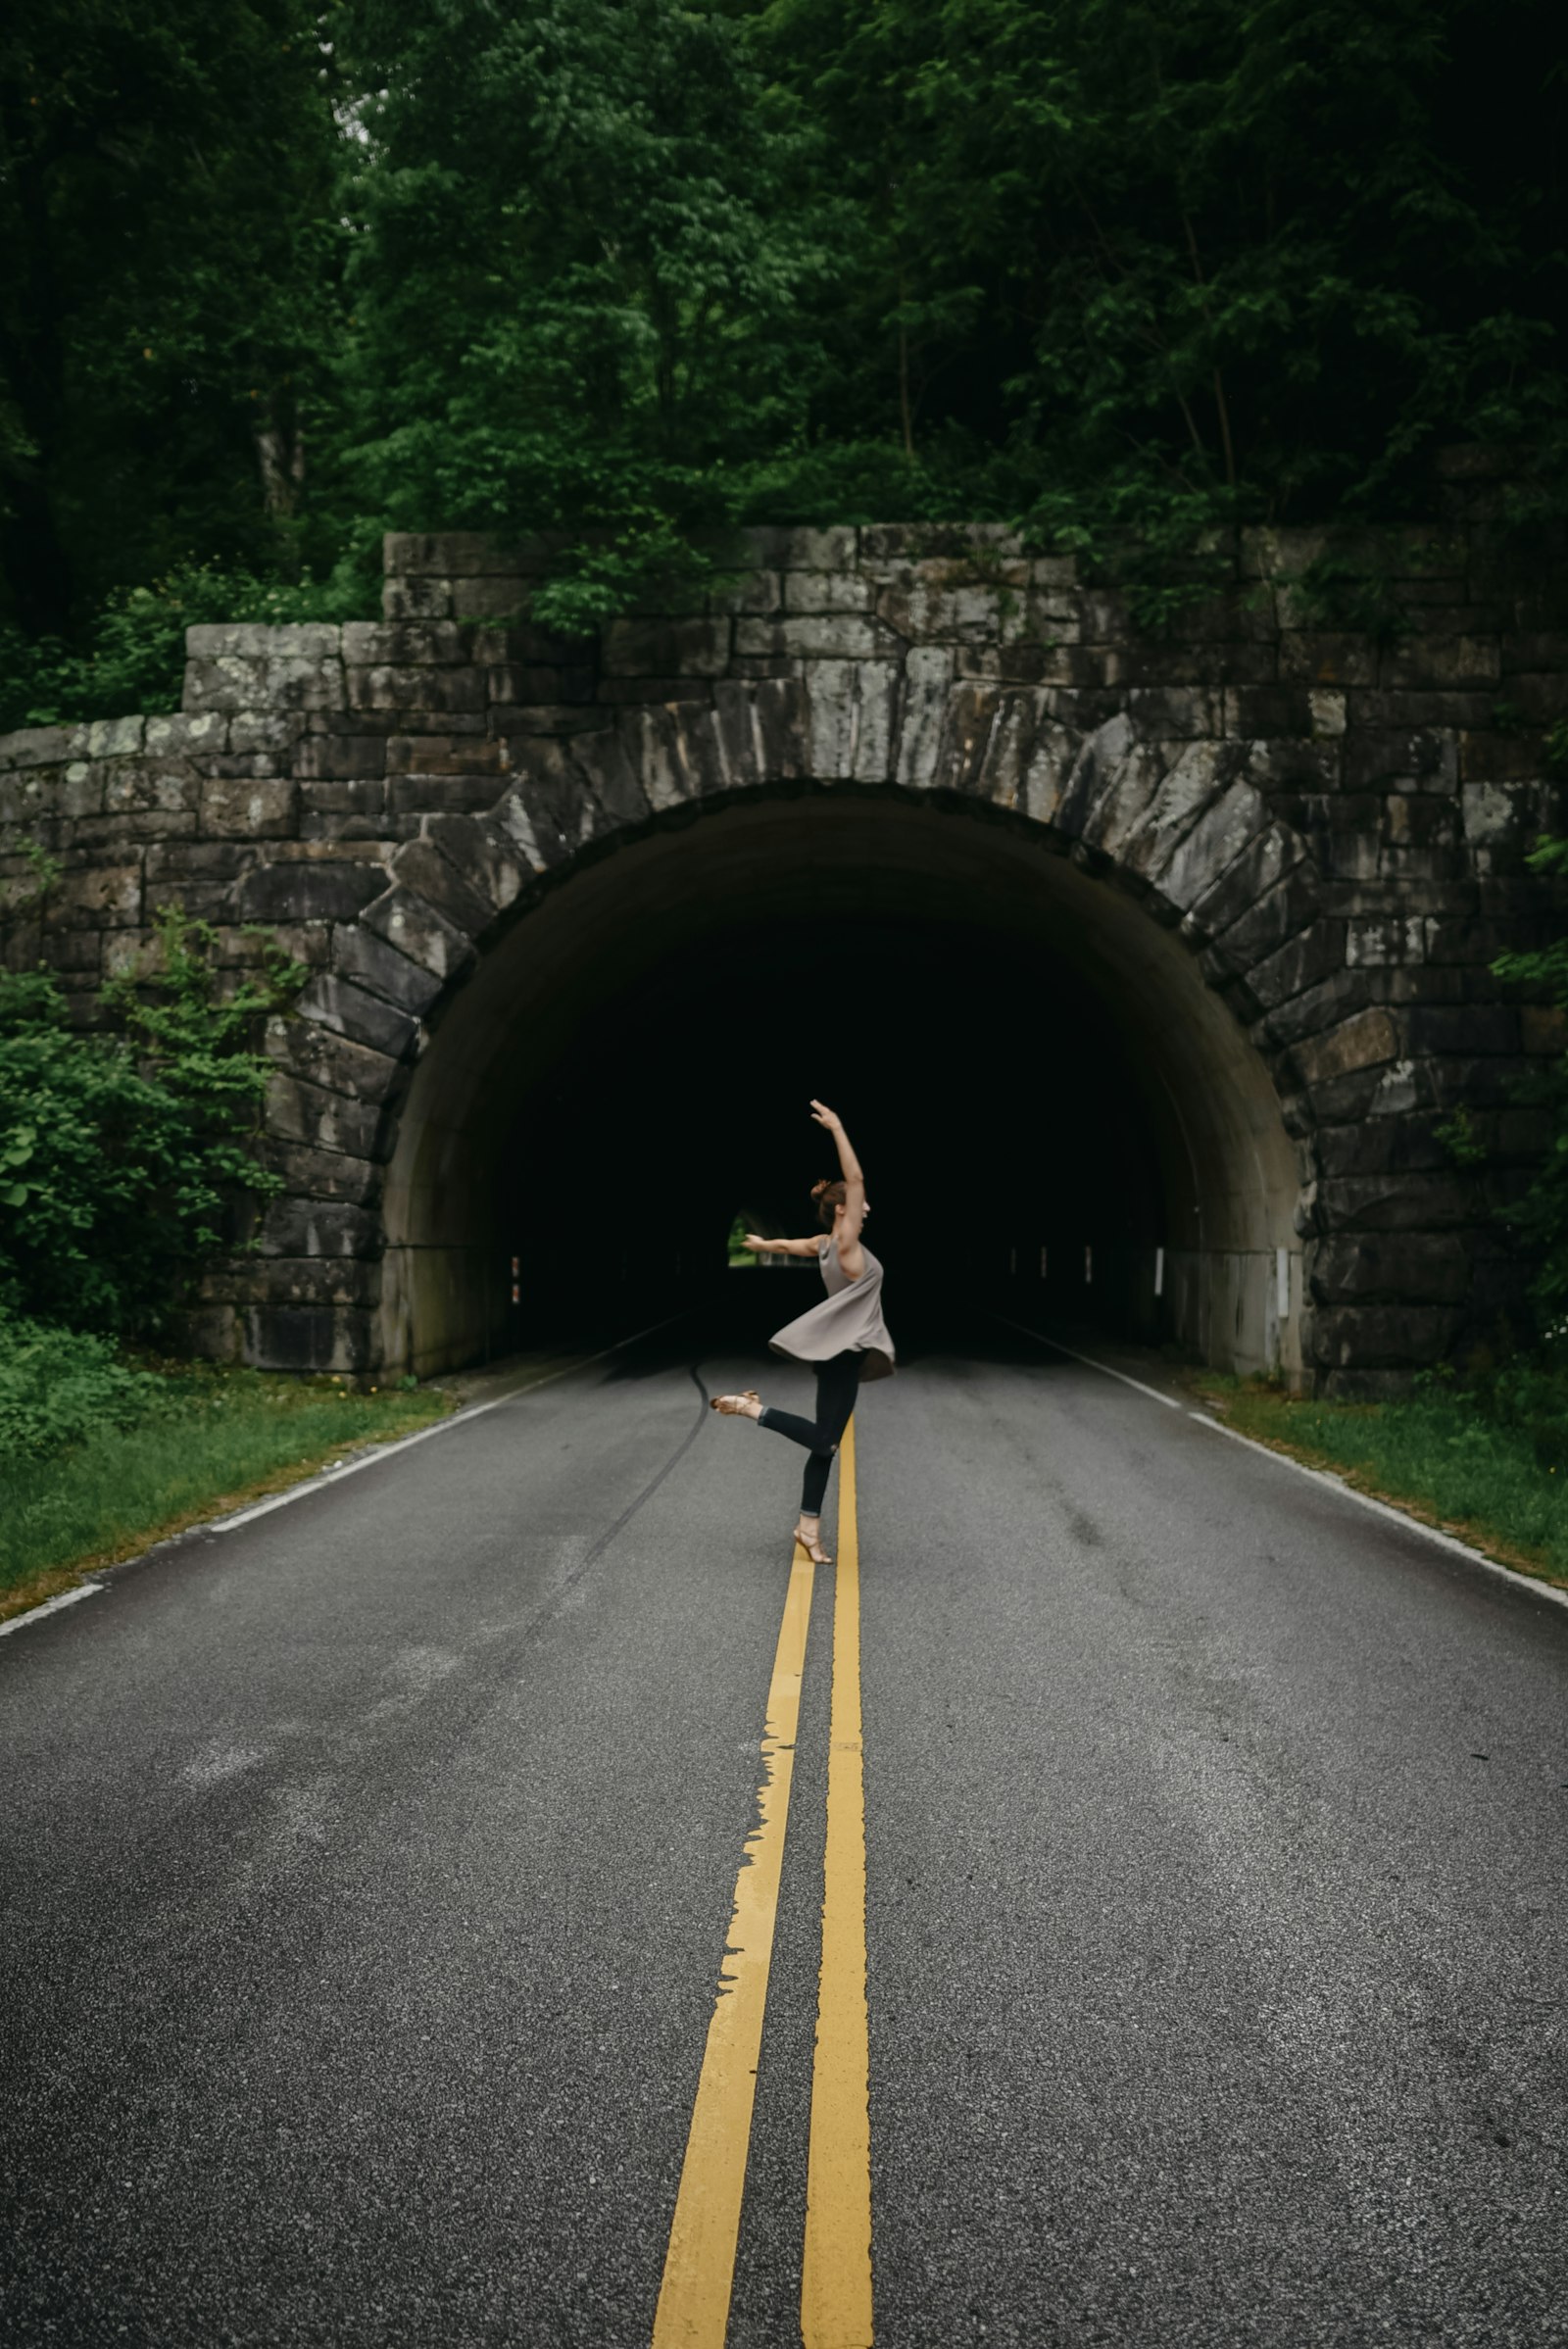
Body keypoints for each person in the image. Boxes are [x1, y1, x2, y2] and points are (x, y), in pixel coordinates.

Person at [710, 1100, 895, 1564]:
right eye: (857, 1205)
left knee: (825, 1445)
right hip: (844, 1355)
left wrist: (760, 1243)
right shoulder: (847, 1243)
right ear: (840, 1211)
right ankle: (752, 1409)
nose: (866, 1207)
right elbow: (855, 1181)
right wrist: (837, 1128)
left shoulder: (824, 1245)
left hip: (836, 1355)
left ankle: (808, 1528)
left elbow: (789, 1246)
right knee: (827, 1440)